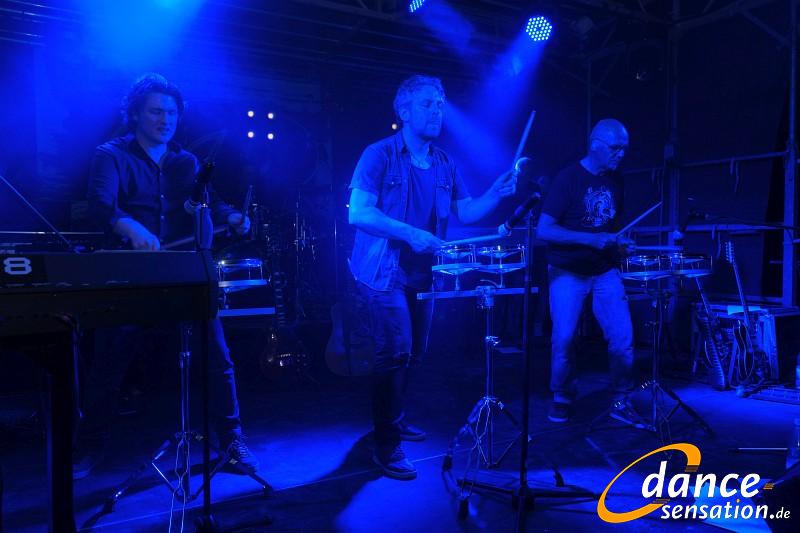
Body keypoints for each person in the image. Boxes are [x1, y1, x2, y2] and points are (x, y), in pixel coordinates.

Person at [79, 73, 259, 478]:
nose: (166, 120)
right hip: (131, 275)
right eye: (156, 112)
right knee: (110, 360)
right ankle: (88, 442)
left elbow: (208, 202)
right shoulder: (110, 155)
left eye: (172, 113)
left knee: (217, 355)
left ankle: (232, 439)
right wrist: (130, 226)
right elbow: (100, 205)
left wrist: (231, 215)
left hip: (184, 271)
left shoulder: (186, 162)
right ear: (135, 115)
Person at [347, 74, 517, 479]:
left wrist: (495, 194)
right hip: (384, 272)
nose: (438, 110)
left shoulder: (443, 162)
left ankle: (395, 417)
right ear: (404, 111)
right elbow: (359, 212)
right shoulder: (379, 154)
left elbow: (466, 212)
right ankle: (386, 442)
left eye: (440, 103)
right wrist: (410, 233)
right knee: (395, 352)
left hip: (425, 275)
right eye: (428, 103)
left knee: (414, 354)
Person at [536, 118, 639, 424]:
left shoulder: (616, 180)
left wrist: (620, 244)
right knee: (564, 338)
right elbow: (544, 230)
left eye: (624, 148)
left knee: (622, 338)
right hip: (567, 270)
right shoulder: (567, 179)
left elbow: (611, 228)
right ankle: (562, 395)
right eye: (616, 148)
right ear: (596, 145)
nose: (621, 154)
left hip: (604, 269)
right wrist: (591, 239)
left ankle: (621, 397)